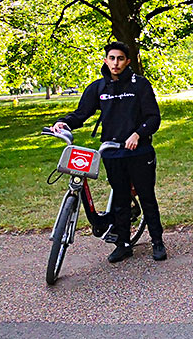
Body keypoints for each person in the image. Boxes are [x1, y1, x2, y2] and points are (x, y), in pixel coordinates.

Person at [52, 41, 166, 263]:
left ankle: (157, 242)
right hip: (112, 153)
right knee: (120, 200)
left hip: (139, 152)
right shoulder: (98, 87)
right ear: (106, 60)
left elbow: (154, 118)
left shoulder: (140, 85)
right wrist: (63, 123)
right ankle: (123, 244)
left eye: (120, 58)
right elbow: (81, 114)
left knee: (147, 197)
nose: (116, 63)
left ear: (127, 61)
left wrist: (137, 135)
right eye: (112, 58)